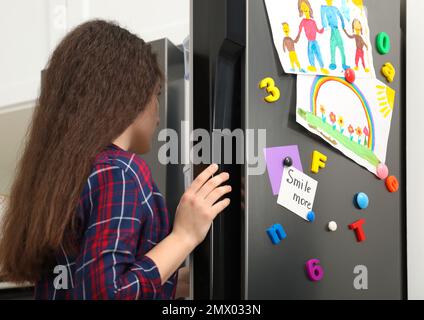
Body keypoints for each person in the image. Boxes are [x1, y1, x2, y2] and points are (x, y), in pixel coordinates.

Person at [0, 20, 231, 300]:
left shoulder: (66, 178)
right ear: (129, 95)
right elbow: (108, 294)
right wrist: (183, 237)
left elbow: (90, 281)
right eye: (156, 93)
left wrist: (195, 279)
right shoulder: (120, 171)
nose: (157, 109)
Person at [294, 0, 330, 75]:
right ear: (301, 9)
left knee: (318, 53)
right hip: (309, 41)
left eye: (305, 5)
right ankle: (312, 66)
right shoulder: (303, 21)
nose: (304, 8)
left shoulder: (313, 22)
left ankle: (322, 67)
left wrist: (323, 28)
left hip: (315, 41)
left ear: (308, 6)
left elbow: (318, 31)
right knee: (310, 53)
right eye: (302, 7)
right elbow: (299, 30)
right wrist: (297, 38)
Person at [321, 0, 350, 70]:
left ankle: (342, 63)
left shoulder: (334, 8)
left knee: (338, 45)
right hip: (332, 29)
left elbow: (340, 16)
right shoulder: (324, 8)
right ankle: (334, 63)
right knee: (333, 45)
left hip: (336, 29)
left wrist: (343, 25)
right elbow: (323, 17)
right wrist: (325, 25)